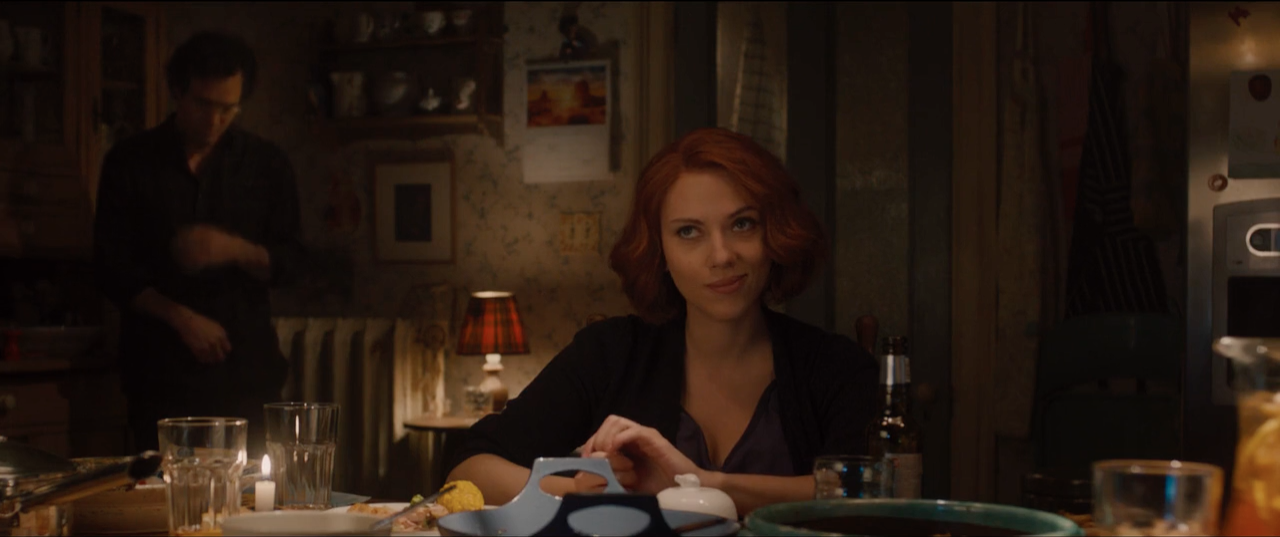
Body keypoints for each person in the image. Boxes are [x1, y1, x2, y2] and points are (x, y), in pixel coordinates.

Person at [446, 128, 878, 516]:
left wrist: (706, 485)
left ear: (774, 234)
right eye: (689, 232)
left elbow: (869, 491)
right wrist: (577, 493)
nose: (721, 255)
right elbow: (468, 469)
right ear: (660, 253)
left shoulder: (836, 366)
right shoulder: (611, 353)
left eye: (742, 224)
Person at [93, 31, 305, 457]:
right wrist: (180, 318)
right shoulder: (131, 162)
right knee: (161, 490)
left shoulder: (266, 165)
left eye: (227, 109)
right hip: (158, 374)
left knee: (250, 489)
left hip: (245, 372)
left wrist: (234, 249)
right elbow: (111, 268)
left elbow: (293, 262)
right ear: (177, 91)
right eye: (203, 105)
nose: (214, 121)